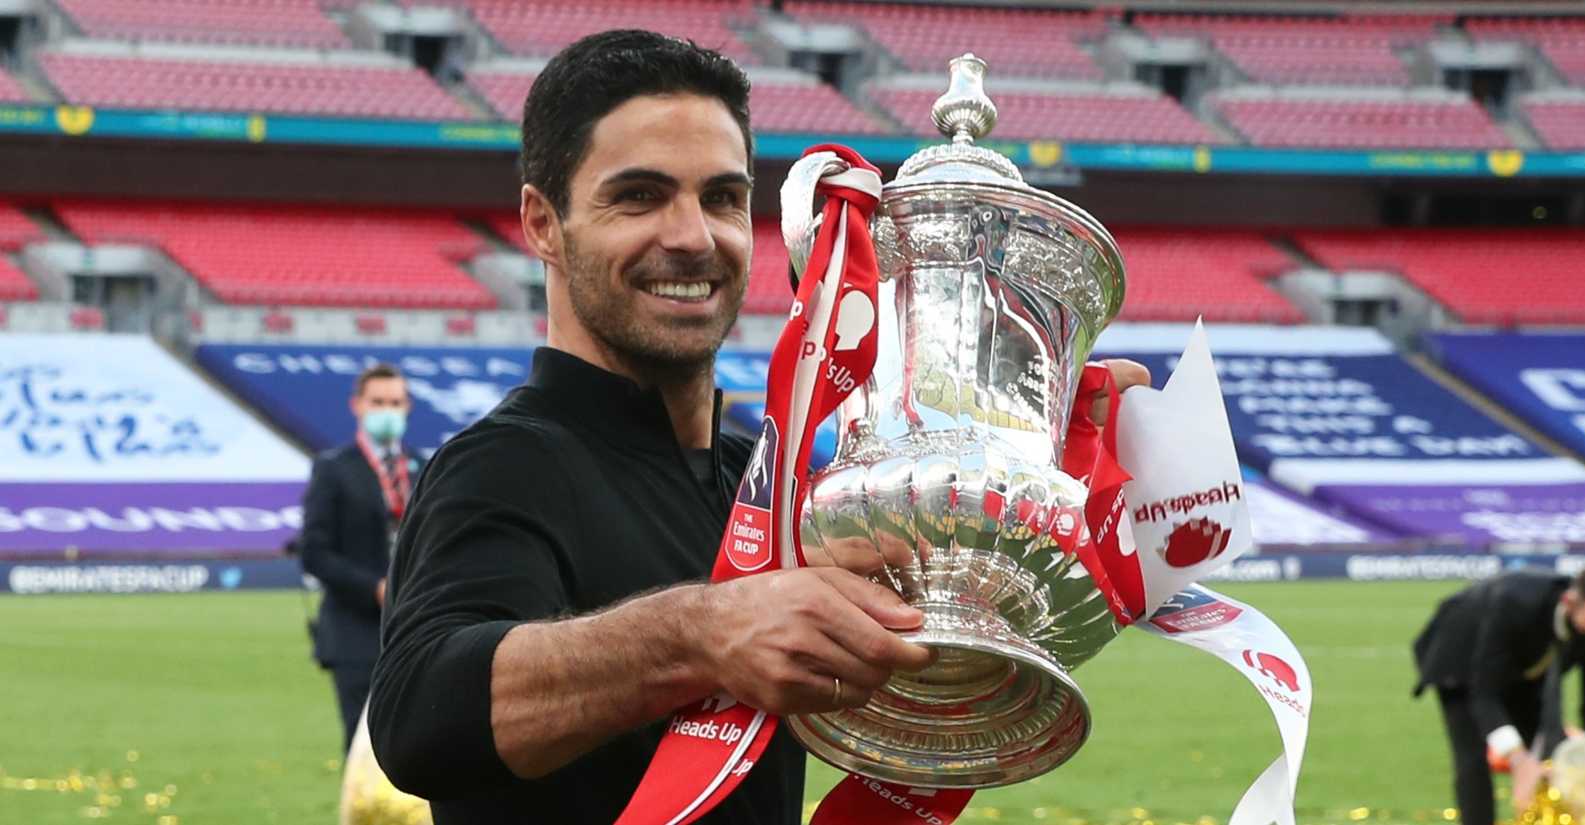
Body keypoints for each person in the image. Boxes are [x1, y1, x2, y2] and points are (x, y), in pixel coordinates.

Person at [367, 29, 1150, 825]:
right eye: (638, 195)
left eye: (721, 198)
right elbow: (418, 713)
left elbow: (941, 651)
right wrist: (702, 633)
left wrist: (1048, 455)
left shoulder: (771, 487)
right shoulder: (501, 464)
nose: (693, 237)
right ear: (542, 223)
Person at [1413, 566, 1585, 825]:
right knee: (1472, 757)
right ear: (1569, 603)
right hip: (1459, 660)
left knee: (1550, 750)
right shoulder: (1515, 604)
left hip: (1524, 666)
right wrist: (1519, 761)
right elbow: (1484, 693)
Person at [299, 362, 416, 756]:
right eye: (378, 401)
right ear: (358, 406)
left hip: (416, 629)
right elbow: (314, 552)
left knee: (420, 750)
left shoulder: (422, 467)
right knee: (364, 752)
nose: (388, 410)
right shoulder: (334, 468)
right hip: (355, 633)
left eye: (395, 402)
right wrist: (374, 588)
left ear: (408, 407)